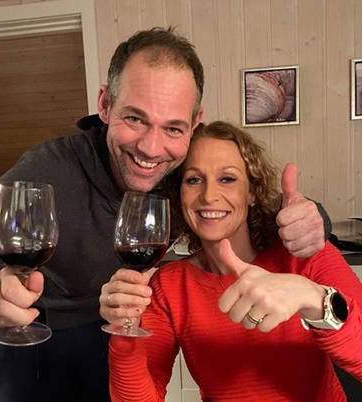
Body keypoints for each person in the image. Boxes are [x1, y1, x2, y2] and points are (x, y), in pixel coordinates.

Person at [0, 27, 329, 402]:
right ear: (105, 104)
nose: (151, 149)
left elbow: (246, 202)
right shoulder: (47, 170)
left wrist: (314, 218)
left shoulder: (179, 167)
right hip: (38, 346)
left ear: (194, 124)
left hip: (123, 332)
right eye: (135, 119)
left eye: (173, 127)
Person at [101, 121, 362, 402]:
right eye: (194, 180)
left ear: (252, 191)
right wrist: (124, 333)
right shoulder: (169, 285)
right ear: (179, 193)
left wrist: (313, 298)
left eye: (227, 179)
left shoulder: (305, 255)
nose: (209, 196)